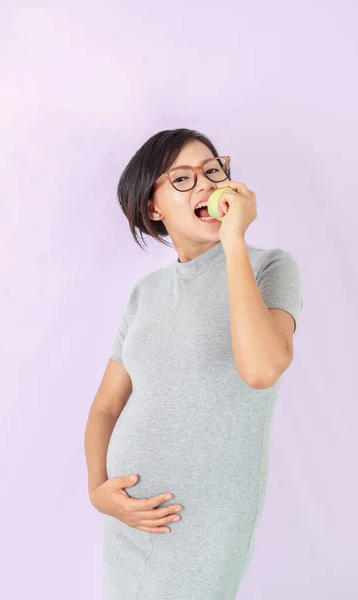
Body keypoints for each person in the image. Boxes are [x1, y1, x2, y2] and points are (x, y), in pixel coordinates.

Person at [84, 128, 303, 600]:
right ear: (153, 207)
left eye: (213, 170)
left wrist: (234, 242)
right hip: (129, 519)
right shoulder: (145, 294)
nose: (205, 183)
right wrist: (98, 488)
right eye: (182, 178)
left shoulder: (270, 267)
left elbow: (261, 370)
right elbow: (106, 406)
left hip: (205, 521)